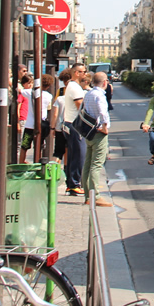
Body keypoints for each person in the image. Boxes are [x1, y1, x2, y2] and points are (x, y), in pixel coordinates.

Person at [82, 71, 113, 206]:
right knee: (96, 164)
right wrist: (105, 126)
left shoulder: (88, 94)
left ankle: (88, 195)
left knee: (87, 164)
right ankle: (96, 196)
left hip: (88, 132)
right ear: (105, 82)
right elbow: (103, 113)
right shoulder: (99, 96)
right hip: (99, 132)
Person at [62, 65, 88, 196]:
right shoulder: (75, 88)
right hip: (75, 124)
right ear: (77, 73)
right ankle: (74, 183)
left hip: (70, 122)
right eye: (83, 72)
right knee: (79, 155)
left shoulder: (72, 86)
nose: (85, 74)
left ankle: (72, 184)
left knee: (73, 155)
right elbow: (81, 106)